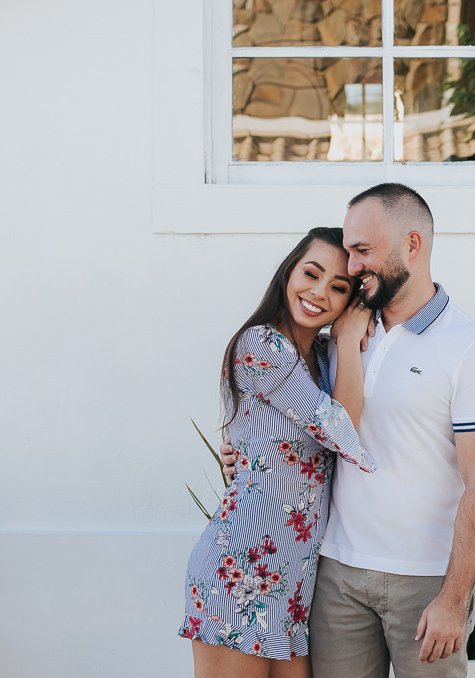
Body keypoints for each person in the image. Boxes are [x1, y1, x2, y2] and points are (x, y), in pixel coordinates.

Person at [223, 184, 475, 678]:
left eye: (362, 251)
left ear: (413, 246)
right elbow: (288, 424)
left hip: (424, 583)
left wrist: (454, 597)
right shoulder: (335, 335)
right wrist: (242, 454)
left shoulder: (470, 350)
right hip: (335, 575)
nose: (352, 267)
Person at [181, 226, 376, 678]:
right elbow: (340, 428)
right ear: (289, 271)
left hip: (294, 579)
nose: (319, 292)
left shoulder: (325, 357)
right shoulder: (261, 345)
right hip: (238, 572)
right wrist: (349, 341)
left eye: (338, 287)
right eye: (311, 273)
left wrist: (344, 344)